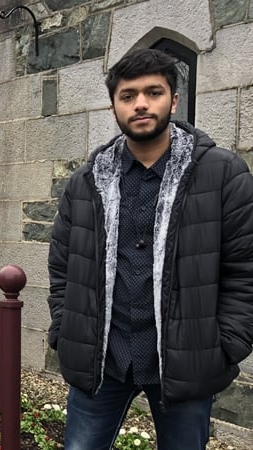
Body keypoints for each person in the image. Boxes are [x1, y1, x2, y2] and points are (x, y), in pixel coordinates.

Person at [47, 48, 253, 449]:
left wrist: (226, 344)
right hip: (102, 361)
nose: (140, 103)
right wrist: (63, 328)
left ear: (173, 100)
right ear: (114, 108)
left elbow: (245, 269)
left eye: (153, 92)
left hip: (184, 363)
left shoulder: (223, 175)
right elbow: (62, 266)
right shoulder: (86, 182)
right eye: (128, 96)